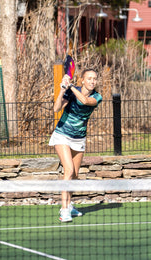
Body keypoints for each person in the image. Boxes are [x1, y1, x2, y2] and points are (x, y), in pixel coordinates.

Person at [49, 68, 102, 222]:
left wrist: (70, 86)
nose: (92, 81)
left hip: (79, 138)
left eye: (95, 78)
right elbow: (56, 108)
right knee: (69, 170)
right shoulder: (72, 92)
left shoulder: (97, 97)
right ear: (83, 80)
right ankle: (64, 210)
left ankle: (69, 204)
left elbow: (85, 101)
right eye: (89, 78)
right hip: (62, 135)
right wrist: (62, 90)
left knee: (75, 175)